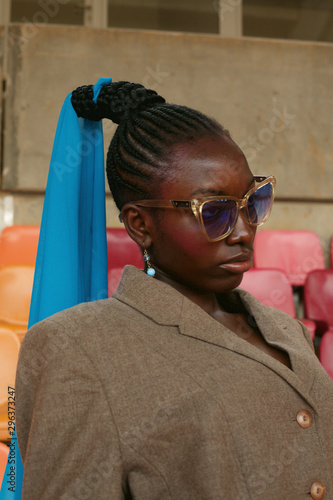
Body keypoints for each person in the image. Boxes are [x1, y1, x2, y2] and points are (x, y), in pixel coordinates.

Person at [15, 80, 333, 500]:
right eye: (215, 211)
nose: (243, 231)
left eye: (252, 202)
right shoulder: (76, 349)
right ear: (140, 225)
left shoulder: (286, 331)